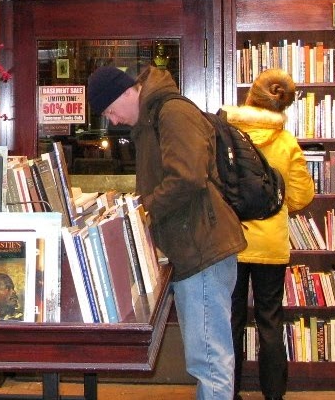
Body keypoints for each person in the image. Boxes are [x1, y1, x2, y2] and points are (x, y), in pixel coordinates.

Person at [88, 64, 247, 400]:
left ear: (127, 92)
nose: (113, 121)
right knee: (208, 357)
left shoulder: (171, 112)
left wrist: (144, 210)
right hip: (194, 247)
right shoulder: (153, 117)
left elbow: (187, 177)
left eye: (110, 110)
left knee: (210, 360)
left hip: (202, 249)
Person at [220, 69, 315, 400]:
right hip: (271, 243)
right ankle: (274, 394)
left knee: (230, 320)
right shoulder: (286, 143)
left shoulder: (225, 135)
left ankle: (227, 392)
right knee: (270, 319)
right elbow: (302, 197)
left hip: (231, 240)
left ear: (251, 96)